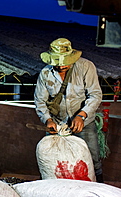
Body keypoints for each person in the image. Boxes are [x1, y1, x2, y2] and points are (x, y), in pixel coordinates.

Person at [34, 38, 103, 183]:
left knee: (93, 159)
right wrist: (48, 120)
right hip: (57, 124)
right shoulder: (45, 74)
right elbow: (40, 101)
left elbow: (95, 95)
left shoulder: (86, 67)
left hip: (84, 123)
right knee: (54, 159)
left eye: (65, 62)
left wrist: (81, 116)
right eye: (57, 63)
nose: (61, 66)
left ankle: (98, 189)